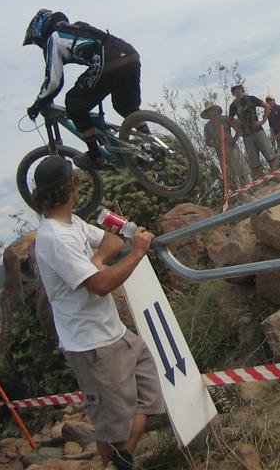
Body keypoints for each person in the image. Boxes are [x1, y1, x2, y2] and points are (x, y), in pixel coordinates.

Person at [32, 156, 165, 470]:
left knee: (148, 393)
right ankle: (118, 461)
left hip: (113, 333)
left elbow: (111, 239)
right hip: (91, 345)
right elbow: (101, 285)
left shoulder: (72, 223)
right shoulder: (54, 238)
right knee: (112, 425)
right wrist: (137, 252)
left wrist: (99, 259)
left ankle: (120, 459)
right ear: (73, 186)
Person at [23, 9, 143, 172]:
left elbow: (53, 81)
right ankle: (151, 146)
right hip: (130, 54)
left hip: (108, 60)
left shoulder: (54, 38)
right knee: (126, 107)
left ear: (41, 31)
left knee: (73, 103)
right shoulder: (78, 27)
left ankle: (95, 156)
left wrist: (37, 105)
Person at [228, 84, 279, 179]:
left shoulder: (251, 98)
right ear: (233, 93)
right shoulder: (233, 105)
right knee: (254, 163)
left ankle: (275, 177)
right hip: (246, 136)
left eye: (238, 88)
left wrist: (262, 121)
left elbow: (267, 107)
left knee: (270, 156)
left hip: (258, 131)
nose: (237, 90)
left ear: (242, 89)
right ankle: (261, 185)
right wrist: (238, 132)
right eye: (234, 89)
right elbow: (230, 120)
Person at [201, 102, 248, 190]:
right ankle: (239, 192)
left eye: (212, 109)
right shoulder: (207, 127)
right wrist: (217, 144)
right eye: (208, 111)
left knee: (240, 168)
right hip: (220, 152)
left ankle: (249, 188)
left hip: (232, 147)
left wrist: (234, 138)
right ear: (207, 113)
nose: (211, 112)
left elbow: (238, 126)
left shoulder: (225, 119)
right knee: (228, 173)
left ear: (216, 110)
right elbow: (208, 142)